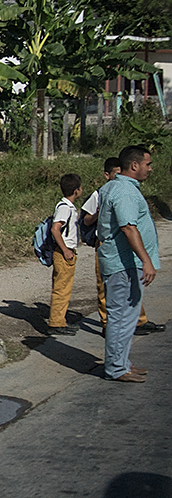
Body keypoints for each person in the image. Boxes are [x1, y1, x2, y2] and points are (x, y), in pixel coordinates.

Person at [97, 145, 159, 383]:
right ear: (134, 165)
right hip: (124, 264)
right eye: (147, 164)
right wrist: (147, 261)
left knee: (127, 317)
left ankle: (122, 362)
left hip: (122, 263)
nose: (150, 168)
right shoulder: (124, 191)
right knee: (122, 317)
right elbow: (128, 227)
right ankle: (115, 367)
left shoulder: (115, 186)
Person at [81, 158, 161, 336]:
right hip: (108, 246)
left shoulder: (126, 191)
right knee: (107, 289)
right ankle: (107, 324)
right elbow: (87, 219)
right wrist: (101, 212)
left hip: (125, 250)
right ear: (107, 175)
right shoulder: (102, 192)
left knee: (131, 289)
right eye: (116, 174)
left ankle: (138, 321)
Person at [47, 174, 83, 336]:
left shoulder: (68, 207)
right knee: (61, 288)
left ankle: (60, 319)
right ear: (76, 191)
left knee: (65, 288)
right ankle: (56, 322)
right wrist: (65, 250)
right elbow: (55, 229)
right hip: (63, 253)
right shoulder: (65, 207)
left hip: (66, 252)